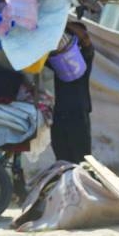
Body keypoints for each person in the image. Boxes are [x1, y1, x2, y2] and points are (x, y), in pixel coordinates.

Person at [49, 21, 95, 164]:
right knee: (62, 160)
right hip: (59, 114)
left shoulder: (85, 55)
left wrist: (61, 24)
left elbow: (85, 37)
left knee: (82, 160)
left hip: (78, 114)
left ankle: (84, 185)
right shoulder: (55, 58)